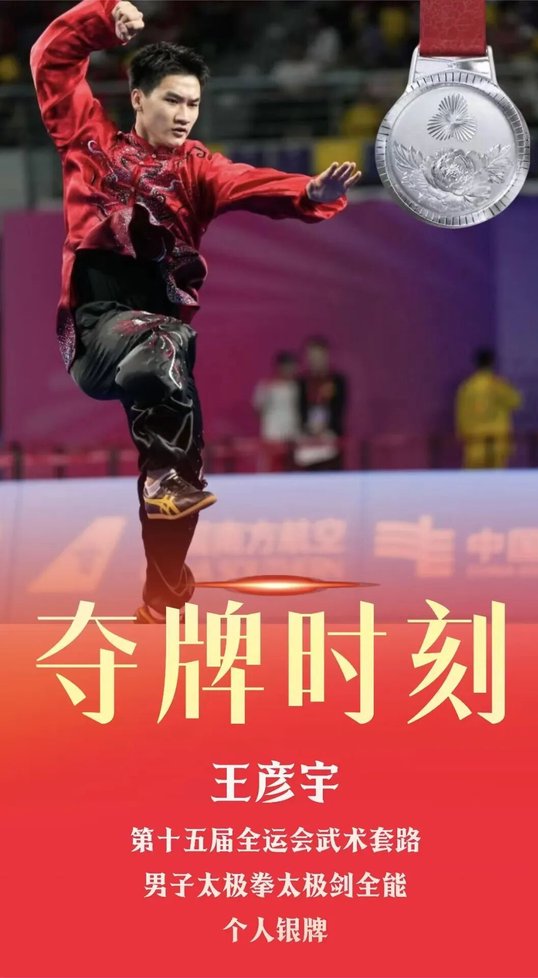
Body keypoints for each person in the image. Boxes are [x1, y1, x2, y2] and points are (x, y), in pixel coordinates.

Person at [30, 0, 361, 622]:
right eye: (172, 101)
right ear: (137, 98)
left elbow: (251, 183)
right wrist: (102, 18)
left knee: (180, 471)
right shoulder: (88, 141)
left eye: (194, 104)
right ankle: (164, 488)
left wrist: (309, 192)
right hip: (97, 335)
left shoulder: (199, 171)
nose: (184, 114)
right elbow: (51, 61)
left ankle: (163, 594)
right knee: (169, 342)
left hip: (160, 363)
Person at [455, 348, 523, 468]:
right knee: (495, 478)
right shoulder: (497, 384)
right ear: (492, 363)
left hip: (474, 444)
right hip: (496, 443)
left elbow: (460, 415)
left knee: (473, 478)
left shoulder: (467, 387)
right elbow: (516, 402)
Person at [295, 336, 347, 470]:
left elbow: (339, 407)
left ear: (326, 355)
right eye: (312, 356)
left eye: (318, 355)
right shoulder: (302, 382)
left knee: (331, 472)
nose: (315, 359)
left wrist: (326, 427)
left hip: (331, 436)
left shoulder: (337, 381)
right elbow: (300, 408)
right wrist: (309, 427)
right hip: (308, 437)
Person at [253, 351, 300, 471]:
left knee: (291, 468)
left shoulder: (297, 387)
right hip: (272, 434)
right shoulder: (266, 386)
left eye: (292, 366)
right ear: (279, 367)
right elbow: (258, 409)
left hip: (291, 433)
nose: (289, 370)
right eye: (286, 366)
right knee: (269, 467)